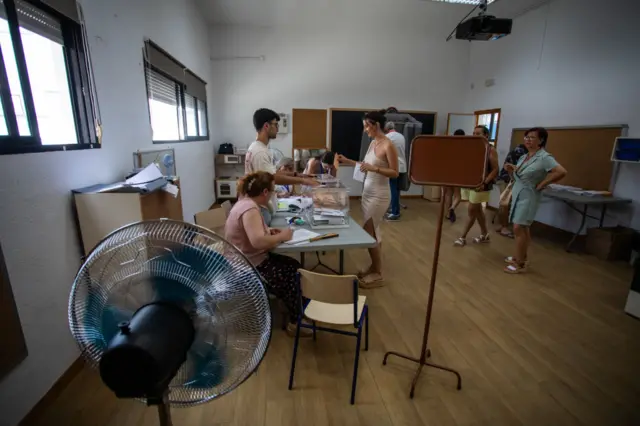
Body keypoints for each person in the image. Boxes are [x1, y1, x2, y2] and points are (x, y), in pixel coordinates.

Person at [224, 171, 310, 336]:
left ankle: (292, 306)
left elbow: (251, 232)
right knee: (292, 276)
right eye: (272, 191)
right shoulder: (250, 209)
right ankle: (296, 322)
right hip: (246, 266)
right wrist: (282, 236)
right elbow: (257, 241)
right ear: (265, 192)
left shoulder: (245, 203)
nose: (273, 195)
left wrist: (268, 230)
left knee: (294, 265)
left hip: (247, 258)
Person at [338, 110, 399, 288]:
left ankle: (378, 273)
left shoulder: (388, 145)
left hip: (379, 194)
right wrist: (347, 161)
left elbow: (395, 172)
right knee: (373, 231)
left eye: (367, 126)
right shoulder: (373, 143)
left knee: (368, 232)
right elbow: (365, 166)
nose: (365, 130)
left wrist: (375, 169)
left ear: (376, 125)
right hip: (367, 192)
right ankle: (374, 267)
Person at [503, 127, 567, 274]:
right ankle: (521, 257)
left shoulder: (544, 157)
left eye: (532, 137)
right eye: (526, 137)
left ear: (541, 140)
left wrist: (543, 184)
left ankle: (519, 264)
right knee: (523, 227)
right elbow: (518, 177)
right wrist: (512, 170)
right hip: (519, 192)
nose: (528, 140)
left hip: (529, 195)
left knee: (518, 227)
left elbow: (561, 171)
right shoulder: (524, 156)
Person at [246, 109, 318, 224]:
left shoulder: (259, 148)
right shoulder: (260, 152)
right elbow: (272, 178)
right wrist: (303, 181)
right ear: (266, 126)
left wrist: (297, 174)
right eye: (275, 124)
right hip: (260, 207)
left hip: (263, 205)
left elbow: (273, 172)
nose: (278, 128)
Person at [454, 125, 499, 247]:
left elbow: (495, 169)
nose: (475, 136)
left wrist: (484, 182)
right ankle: (485, 234)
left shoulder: (490, 150)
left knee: (472, 210)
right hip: (470, 183)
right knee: (478, 210)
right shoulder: (473, 148)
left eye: (478, 134)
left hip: (481, 185)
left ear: (486, 136)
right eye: (473, 133)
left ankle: (462, 237)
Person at [495, 142, 528, 238]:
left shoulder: (515, 151)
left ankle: (502, 226)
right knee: (505, 205)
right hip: (508, 181)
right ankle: (504, 227)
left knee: (503, 204)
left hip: (503, 180)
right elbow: (516, 170)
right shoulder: (522, 154)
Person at [384, 121, 406, 222]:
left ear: (386, 128)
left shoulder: (388, 137)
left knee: (392, 189)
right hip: (402, 166)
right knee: (396, 190)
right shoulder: (401, 136)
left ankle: (394, 213)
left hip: (393, 166)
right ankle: (395, 210)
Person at [443, 129, 466, 222]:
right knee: (457, 195)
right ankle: (452, 208)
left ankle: (448, 214)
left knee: (448, 194)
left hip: (448, 171)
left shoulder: (449, 145)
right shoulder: (465, 147)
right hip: (458, 172)